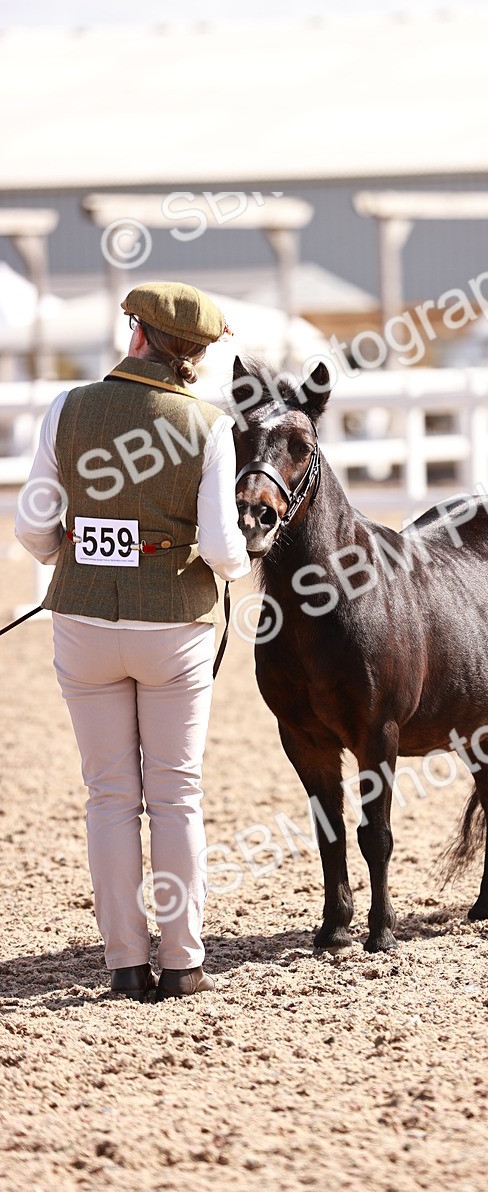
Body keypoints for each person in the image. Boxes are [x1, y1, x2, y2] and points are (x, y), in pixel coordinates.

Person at [14, 281, 250, 1001]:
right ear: (196, 354)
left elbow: (32, 530)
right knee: (175, 795)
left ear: (136, 335)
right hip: (172, 626)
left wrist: (79, 551)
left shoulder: (68, 409)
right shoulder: (208, 425)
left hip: (83, 623)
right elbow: (221, 549)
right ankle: (182, 963)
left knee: (109, 795)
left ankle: (123, 962)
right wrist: (237, 561)